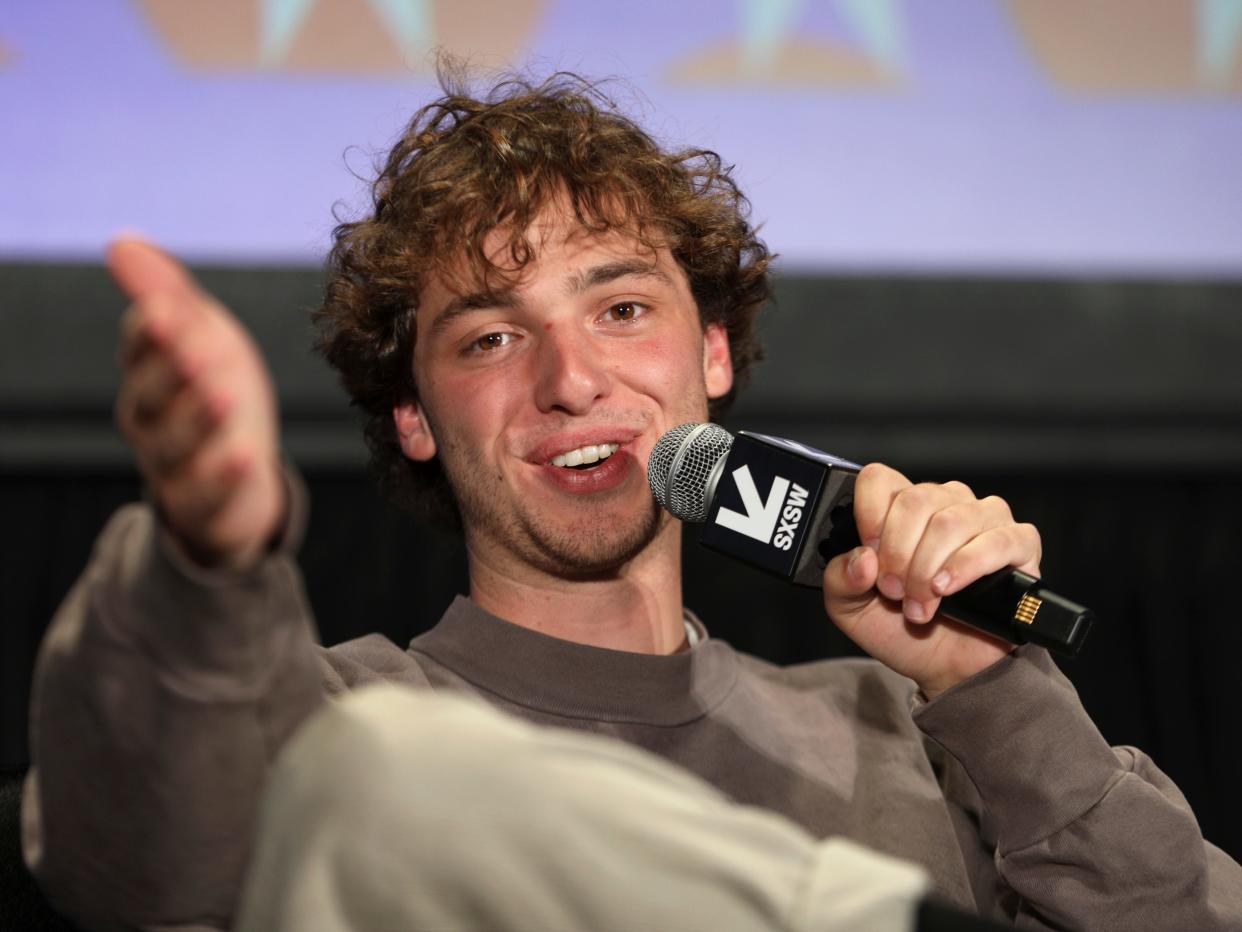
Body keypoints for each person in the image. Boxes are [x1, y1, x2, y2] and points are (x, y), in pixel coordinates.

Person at [23, 73, 1242, 931]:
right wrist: (199, 558)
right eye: (493, 336)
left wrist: (991, 684)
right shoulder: (334, 718)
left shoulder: (895, 733)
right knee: (384, 772)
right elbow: (126, 860)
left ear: (711, 354)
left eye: (621, 308)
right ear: (414, 417)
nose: (572, 382)